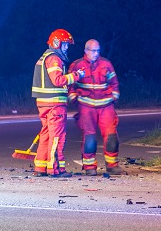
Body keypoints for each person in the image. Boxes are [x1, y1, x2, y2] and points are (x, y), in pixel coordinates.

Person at [32, 29, 85, 178]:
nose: (67, 48)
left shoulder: (44, 57)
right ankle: (55, 169)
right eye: (65, 44)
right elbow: (57, 80)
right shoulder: (54, 58)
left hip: (44, 103)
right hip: (55, 105)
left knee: (46, 135)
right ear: (57, 43)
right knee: (57, 137)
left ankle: (41, 168)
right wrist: (77, 75)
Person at [68, 39, 122, 176]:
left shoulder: (106, 64)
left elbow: (114, 83)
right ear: (86, 51)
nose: (96, 53)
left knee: (111, 136)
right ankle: (89, 167)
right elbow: (70, 86)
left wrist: (114, 97)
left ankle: (112, 165)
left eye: (98, 50)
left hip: (106, 106)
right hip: (86, 107)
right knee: (89, 138)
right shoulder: (77, 65)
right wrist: (74, 100)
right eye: (93, 51)